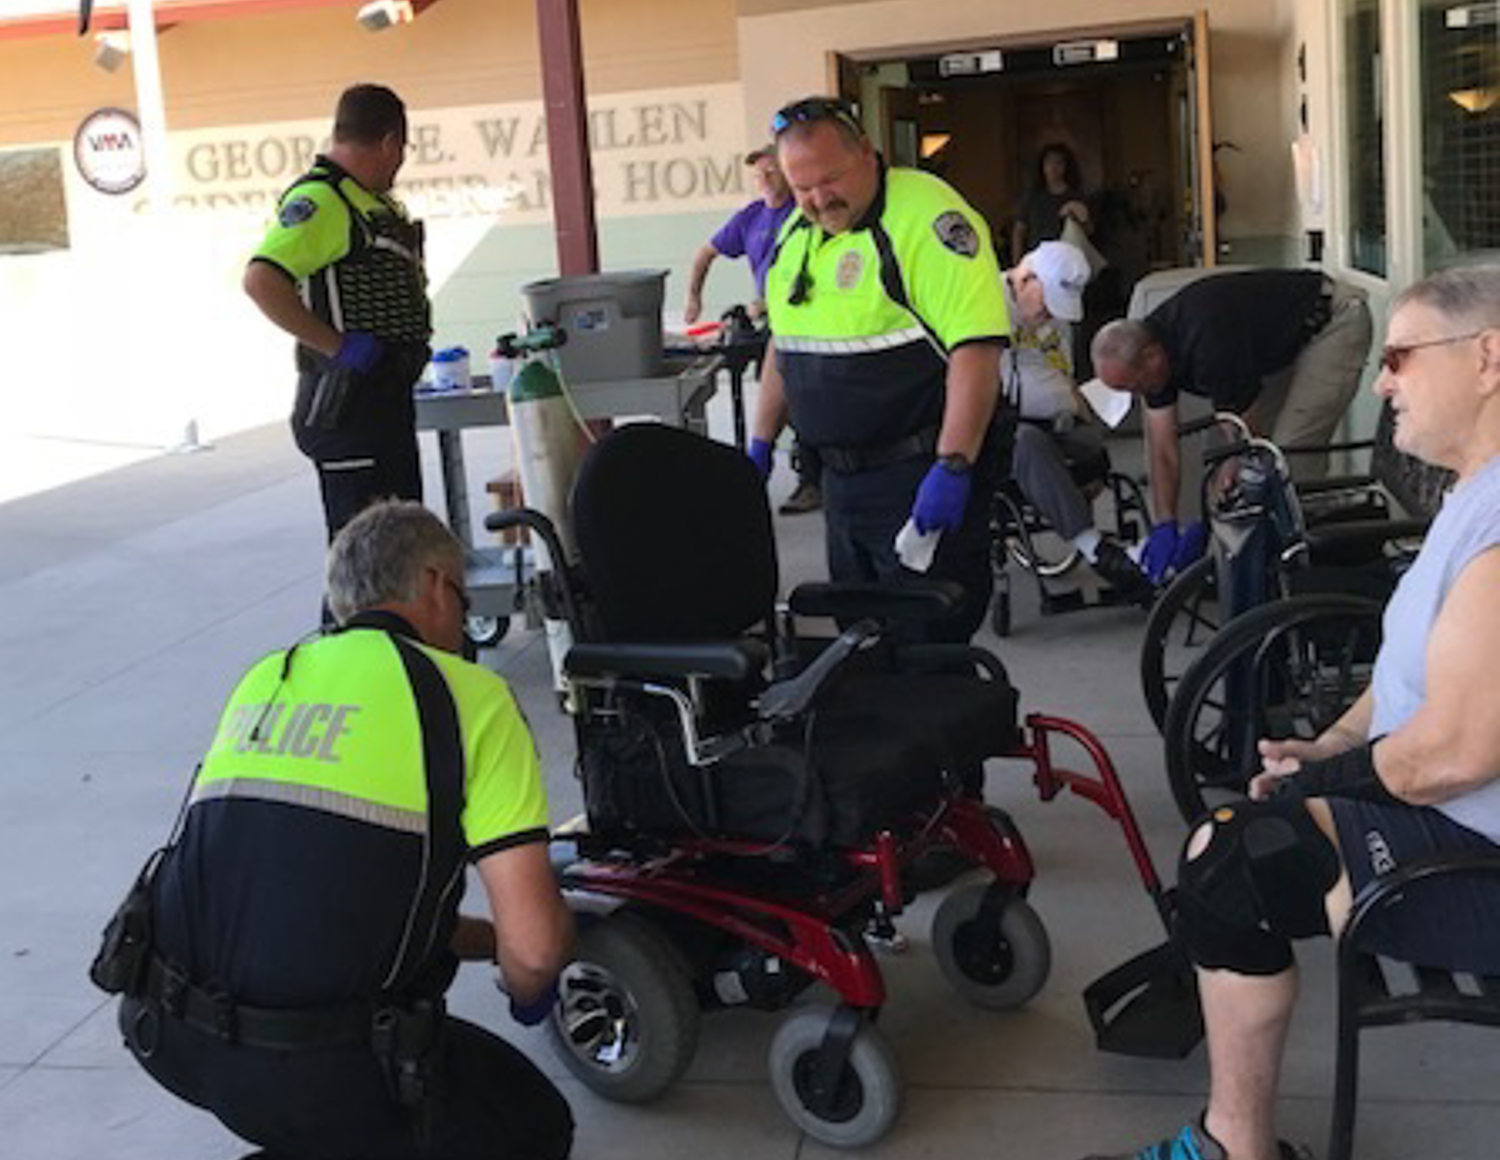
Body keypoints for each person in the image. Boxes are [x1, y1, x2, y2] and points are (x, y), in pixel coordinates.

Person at [1084, 265, 1500, 1160]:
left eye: (1399, 357)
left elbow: (1454, 756)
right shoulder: (1474, 492)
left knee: (1233, 862)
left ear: (1488, 358)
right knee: (1241, 839)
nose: (1381, 382)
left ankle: (1235, 1148)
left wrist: (1331, 777)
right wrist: (1335, 741)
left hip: (1479, 857)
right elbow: (1409, 668)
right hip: (1452, 814)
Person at [115, 500, 575, 1160]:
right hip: (311, 1075)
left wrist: (490, 943)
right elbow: (534, 954)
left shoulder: (269, 676)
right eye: (464, 596)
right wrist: (531, 991)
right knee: (532, 1124)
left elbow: (347, 900)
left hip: (165, 1031)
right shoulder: (468, 697)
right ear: (435, 585)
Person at [749, 96, 1010, 643]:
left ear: (867, 154)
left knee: (930, 649)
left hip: (915, 479)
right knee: (862, 645)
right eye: (802, 187)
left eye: (830, 179)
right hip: (839, 486)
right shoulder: (796, 232)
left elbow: (976, 349)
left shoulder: (926, 217)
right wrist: (761, 442)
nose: (818, 198)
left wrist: (954, 465)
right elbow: (785, 343)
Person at [1089, 268, 1373, 584]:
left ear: (1151, 357)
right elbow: (1162, 447)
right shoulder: (1151, 356)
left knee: (1287, 461)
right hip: (1282, 342)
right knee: (1237, 477)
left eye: (1133, 386)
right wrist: (1165, 524)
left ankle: (1317, 576)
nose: (1135, 395)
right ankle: (1256, 570)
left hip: (1334, 322)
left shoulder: (1207, 341)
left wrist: (1214, 513)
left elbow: (1245, 438)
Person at [244, 83, 431, 550]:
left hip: (382, 401)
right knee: (365, 557)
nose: (399, 164)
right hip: (349, 407)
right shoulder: (324, 202)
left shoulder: (365, 201)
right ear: (389, 142)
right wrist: (338, 346)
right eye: (401, 151)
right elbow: (261, 280)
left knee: (400, 551)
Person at [1001, 240, 1153, 605]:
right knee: (1027, 442)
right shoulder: (986, 306)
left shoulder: (1054, 321)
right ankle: (1096, 549)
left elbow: (1062, 374)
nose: (1050, 314)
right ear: (1026, 279)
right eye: (1047, 303)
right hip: (1004, 426)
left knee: (1091, 443)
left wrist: (1085, 410)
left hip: (1055, 420)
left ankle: (1138, 558)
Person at [683, 147, 822, 516]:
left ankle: (805, 476)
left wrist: (772, 302)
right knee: (777, 392)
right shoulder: (751, 217)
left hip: (808, 319)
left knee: (800, 399)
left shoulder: (806, 213)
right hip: (770, 321)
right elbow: (705, 253)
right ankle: (761, 465)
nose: (765, 180)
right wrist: (694, 297)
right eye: (759, 174)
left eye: (772, 171)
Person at [1011, 141, 1090, 263]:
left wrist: (1078, 219)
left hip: (1067, 261)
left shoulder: (1076, 196)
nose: (1053, 167)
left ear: (1066, 167)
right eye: (1049, 162)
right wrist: (1017, 263)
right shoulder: (1032, 197)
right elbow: (1019, 231)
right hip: (1037, 260)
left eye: (1059, 163)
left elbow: (1089, 231)